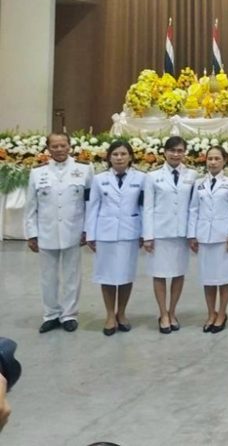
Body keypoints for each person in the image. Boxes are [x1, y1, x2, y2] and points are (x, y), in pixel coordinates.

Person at [24, 132, 93, 334]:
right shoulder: (38, 172)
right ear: (48, 148)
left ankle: (69, 315)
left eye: (63, 145)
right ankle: (51, 315)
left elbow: (90, 203)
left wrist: (88, 230)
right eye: (54, 146)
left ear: (70, 146)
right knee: (48, 277)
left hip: (73, 230)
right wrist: (31, 233)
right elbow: (31, 206)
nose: (59, 149)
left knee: (72, 275)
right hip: (46, 232)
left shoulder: (84, 169)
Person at [86, 140, 144, 336]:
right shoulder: (99, 179)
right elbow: (92, 207)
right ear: (109, 157)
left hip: (130, 232)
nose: (119, 158)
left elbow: (143, 207)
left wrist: (145, 233)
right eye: (115, 154)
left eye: (123, 154)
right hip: (106, 233)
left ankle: (122, 313)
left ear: (130, 157)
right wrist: (91, 234)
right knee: (108, 276)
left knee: (126, 275)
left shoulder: (141, 178)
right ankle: (110, 314)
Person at [142, 136, 195, 333]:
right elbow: (148, 208)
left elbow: (194, 207)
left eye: (180, 150)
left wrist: (193, 233)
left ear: (184, 153)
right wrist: (148, 235)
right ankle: (162, 313)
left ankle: (172, 311)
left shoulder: (192, 175)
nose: (176, 154)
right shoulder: (152, 176)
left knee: (178, 273)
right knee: (160, 274)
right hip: (160, 232)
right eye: (172, 150)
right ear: (165, 152)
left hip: (181, 232)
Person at [187, 145, 228, 334]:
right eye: (210, 158)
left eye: (217, 158)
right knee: (208, 278)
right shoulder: (199, 183)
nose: (213, 162)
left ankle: (222, 313)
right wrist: (192, 235)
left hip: (223, 237)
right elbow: (193, 209)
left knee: (224, 277)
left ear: (224, 161)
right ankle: (211, 313)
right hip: (204, 236)